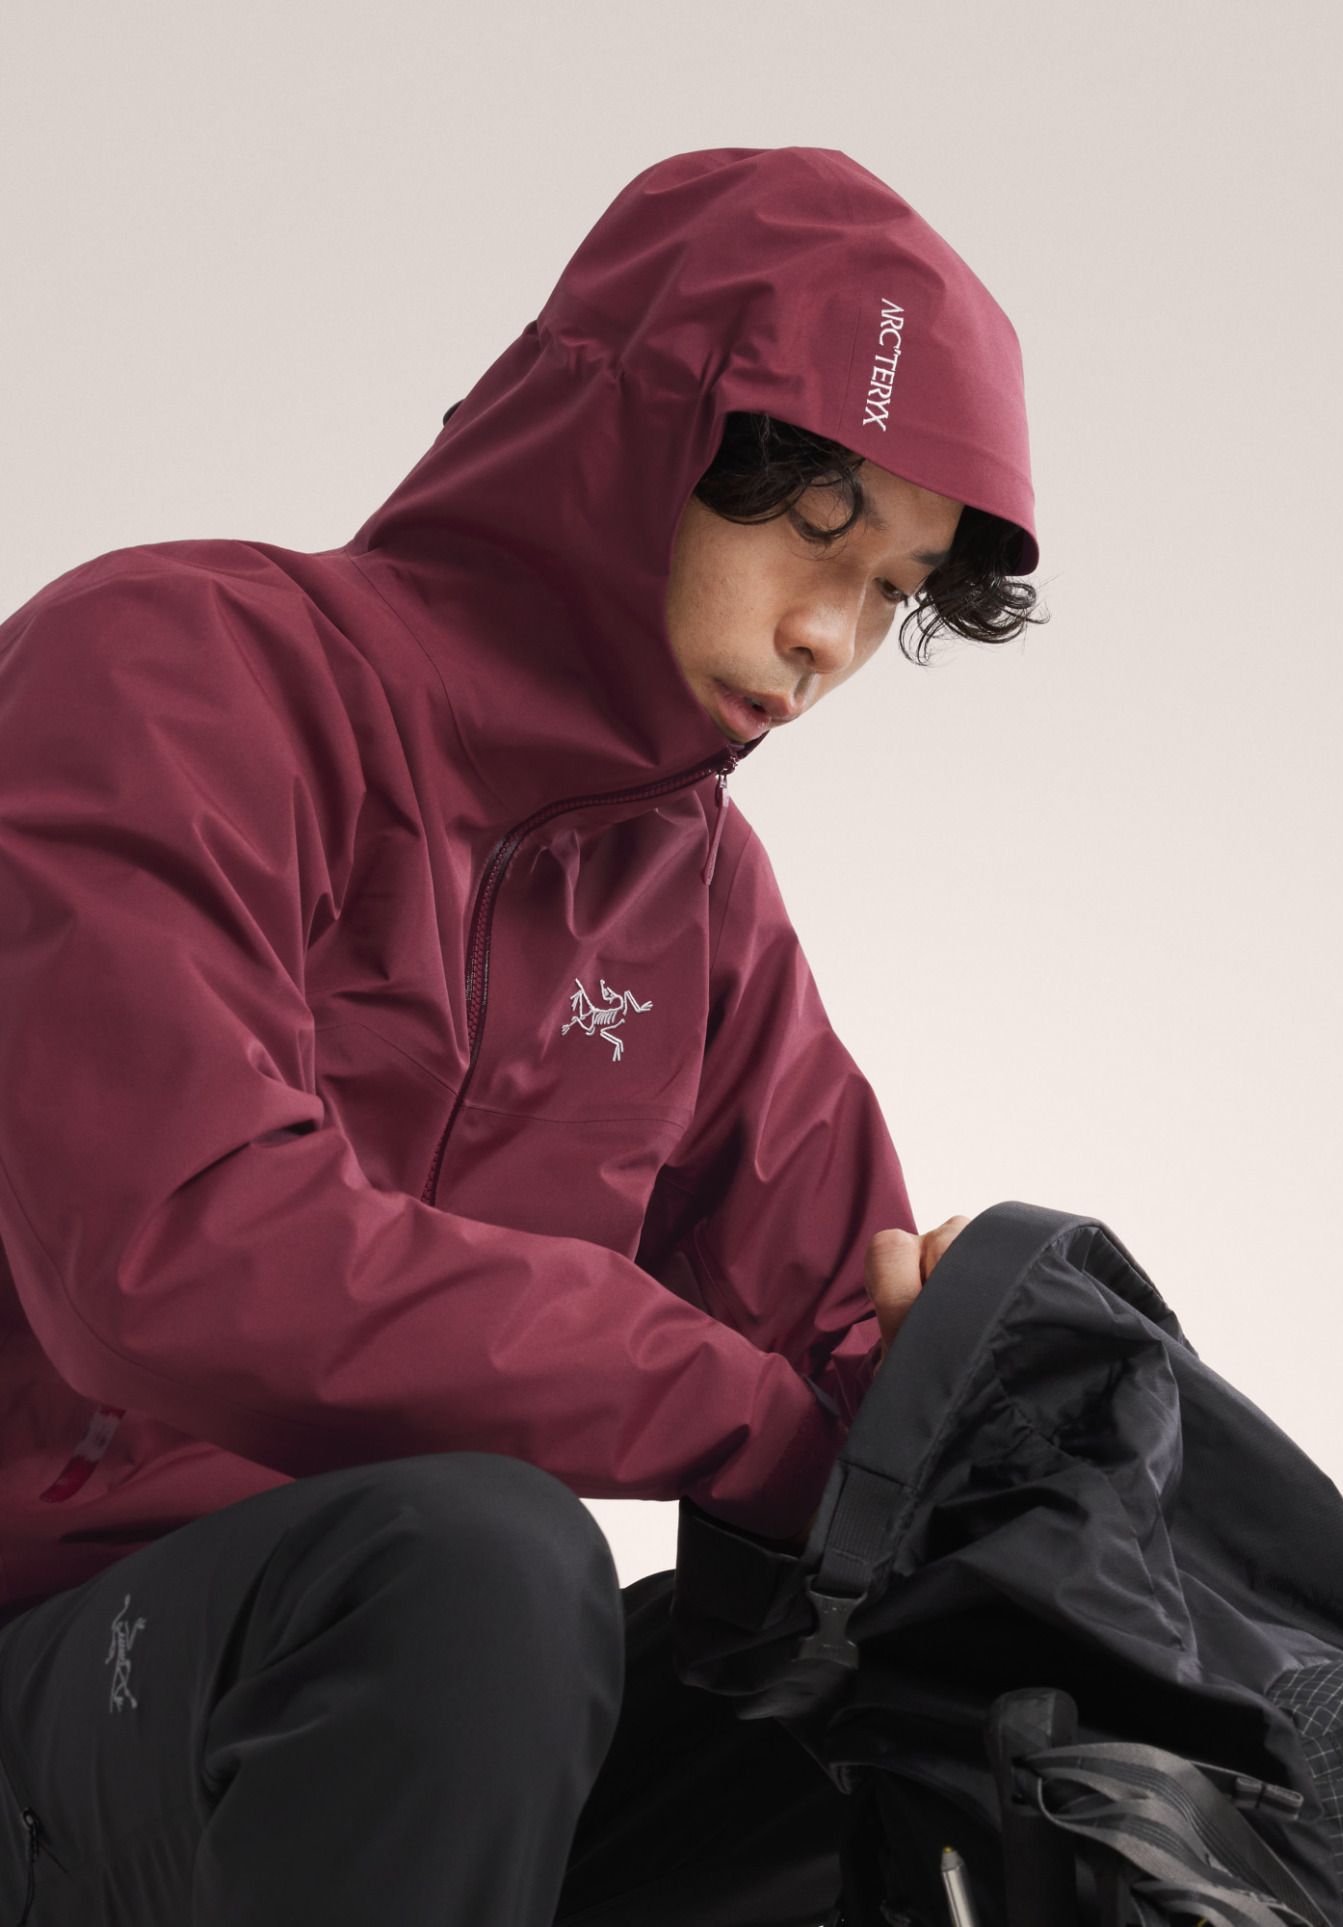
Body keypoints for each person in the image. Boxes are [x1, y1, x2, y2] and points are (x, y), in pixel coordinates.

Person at [0, 146, 1038, 1924]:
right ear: (635, 437)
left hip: (379, 1730)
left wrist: (999, 1412)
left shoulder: (696, 896)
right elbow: (178, 1259)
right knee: (480, 1561)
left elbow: (842, 1333)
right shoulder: (174, 672)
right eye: (813, 530)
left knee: (953, 1703)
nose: (825, 637)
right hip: (58, 1649)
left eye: (892, 590)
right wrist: (758, 1424)